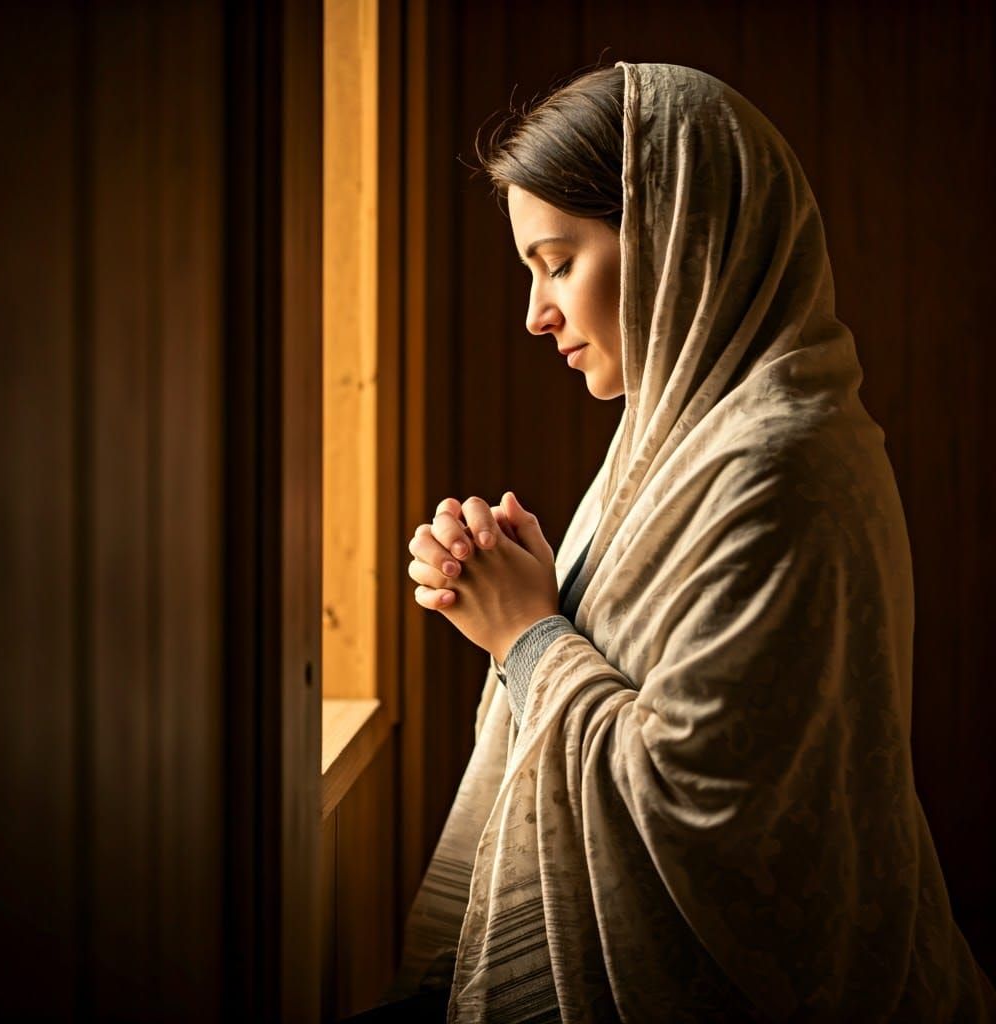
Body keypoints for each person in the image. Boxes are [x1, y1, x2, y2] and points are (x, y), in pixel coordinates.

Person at [394, 62, 995, 1022]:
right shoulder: (676, 444)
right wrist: (530, 585)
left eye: (559, 262)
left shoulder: (779, 464)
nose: (535, 313)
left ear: (679, 237)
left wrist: (526, 637)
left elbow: (703, 815)